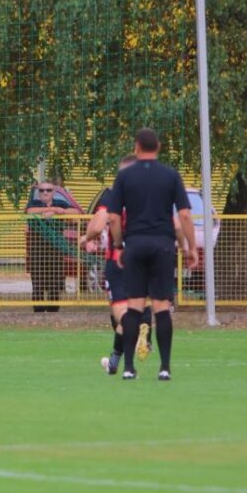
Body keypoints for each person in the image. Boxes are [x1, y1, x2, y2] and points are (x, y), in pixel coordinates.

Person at [106, 128, 198, 381]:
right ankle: (165, 367)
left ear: (136, 147)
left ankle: (128, 368)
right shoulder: (170, 176)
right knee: (161, 308)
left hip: (135, 244)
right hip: (163, 245)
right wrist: (190, 247)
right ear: (158, 147)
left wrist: (119, 245)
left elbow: (113, 217)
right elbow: (185, 215)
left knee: (134, 308)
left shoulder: (125, 177)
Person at [85, 154, 142, 374]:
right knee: (127, 310)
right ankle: (117, 362)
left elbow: (98, 226)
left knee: (121, 312)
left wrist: (89, 236)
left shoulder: (114, 194)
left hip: (119, 260)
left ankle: (138, 329)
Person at [25, 180, 82, 311]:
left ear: (53, 192)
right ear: (38, 192)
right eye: (42, 190)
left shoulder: (60, 203)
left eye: (48, 190)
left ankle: (53, 310)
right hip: (37, 248)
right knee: (37, 280)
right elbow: (29, 211)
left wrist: (57, 210)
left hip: (56, 248)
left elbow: (76, 212)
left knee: (55, 280)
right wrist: (50, 210)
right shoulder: (34, 203)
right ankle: (38, 310)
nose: (45, 193)